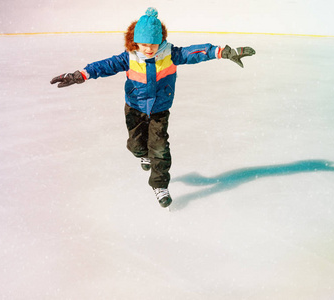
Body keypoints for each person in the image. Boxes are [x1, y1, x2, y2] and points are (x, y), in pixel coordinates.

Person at [50, 7, 255, 208]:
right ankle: (142, 155)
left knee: (160, 148)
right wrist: (80, 75)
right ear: (135, 41)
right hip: (134, 107)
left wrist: (224, 52)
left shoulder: (170, 54)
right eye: (145, 44)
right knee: (136, 146)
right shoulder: (128, 57)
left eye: (154, 44)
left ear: (161, 41)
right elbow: (103, 66)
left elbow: (196, 52)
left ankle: (159, 185)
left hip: (159, 109)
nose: (149, 49)